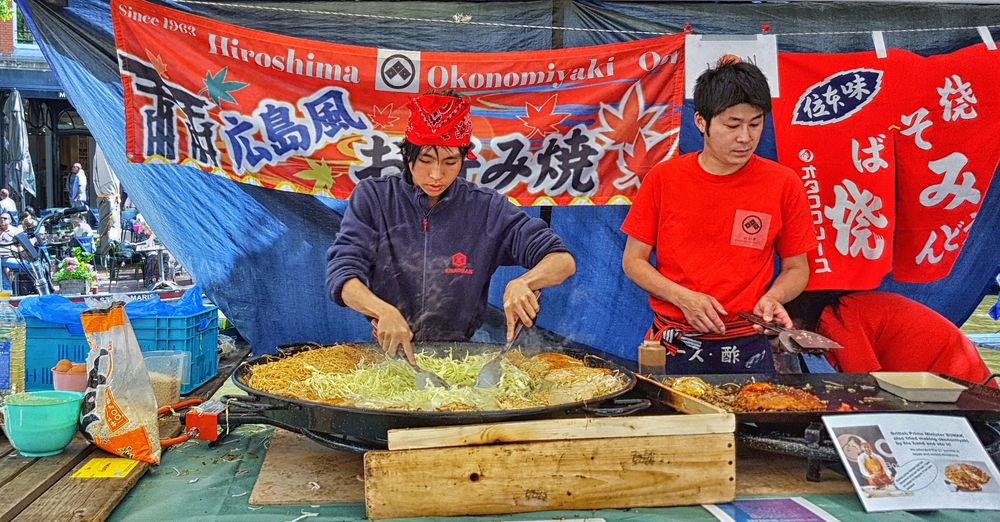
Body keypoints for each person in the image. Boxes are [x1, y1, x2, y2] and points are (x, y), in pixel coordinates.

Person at [326, 92, 575, 363]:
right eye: (425, 160)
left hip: (458, 357)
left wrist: (524, 282)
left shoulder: (486, 208)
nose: (436, 174)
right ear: (408, 154)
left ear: (463, 158)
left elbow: (561, 261)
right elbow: (342, 276)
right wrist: (382, 311)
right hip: (389, 356)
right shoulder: (374, 198)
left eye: (449, 162)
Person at [620, 57, 816, 374]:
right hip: (674, 340)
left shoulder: (783, 183)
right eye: (732, 124)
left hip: (747, 342)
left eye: (755, 124)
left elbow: (797, 268)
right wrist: (682, 297)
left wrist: (774, 297)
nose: (745, 137)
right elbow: (633, 261)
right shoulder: (664, 178)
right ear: (701, 121)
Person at [783, 290, 993, 385]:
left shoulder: (836, 315)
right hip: (947, 368)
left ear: (799, 322)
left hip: (950, 377)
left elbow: (864, 381)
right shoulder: (848, 308)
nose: (788, 347)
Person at [0, 213, 27, 292]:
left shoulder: (15, 230)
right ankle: (7, 291)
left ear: (10, 220)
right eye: (0, 218)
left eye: (5, 218)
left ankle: (6, 290)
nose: (2, 220)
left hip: (13, 258)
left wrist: (13, 248)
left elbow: (22, 246)